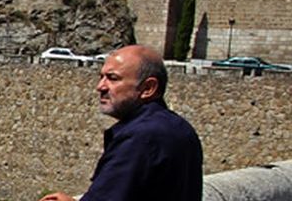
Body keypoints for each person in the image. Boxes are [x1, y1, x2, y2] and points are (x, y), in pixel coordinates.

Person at [38, 45, 203, 201]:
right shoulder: (181, 128)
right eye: (101, 77)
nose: (100, 87)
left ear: (148, 88)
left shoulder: (140, 138)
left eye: (112, 78)